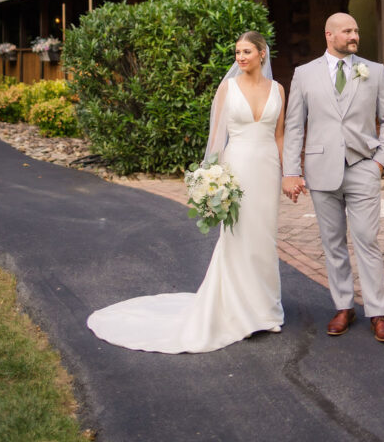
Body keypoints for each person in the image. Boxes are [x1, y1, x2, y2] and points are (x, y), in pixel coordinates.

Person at [87, 31, 285, 353]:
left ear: (262, 53)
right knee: (237, 239)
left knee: (265, 239)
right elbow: (217, 137)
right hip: (236, 170)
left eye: (247, 51)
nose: (240, 57)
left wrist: (289, 172)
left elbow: (279, 136)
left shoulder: (278, 89)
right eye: (237, 52)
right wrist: (211, 181)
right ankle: (242, 313)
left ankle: (267, 310)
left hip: (267, 171)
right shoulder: (227, 87)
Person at [282, 13, 384, 343]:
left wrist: (379, 163)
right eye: (348, 31)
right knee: (332, 244)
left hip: (363, 166)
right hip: (321, 171)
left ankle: (377, 312)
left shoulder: (374, 71)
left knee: (367, 240)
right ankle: (343, 307)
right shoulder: (304, 75)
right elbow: (294, 126)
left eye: (356, 31)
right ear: (329, 35)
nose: (354, 36)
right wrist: (291, 171)